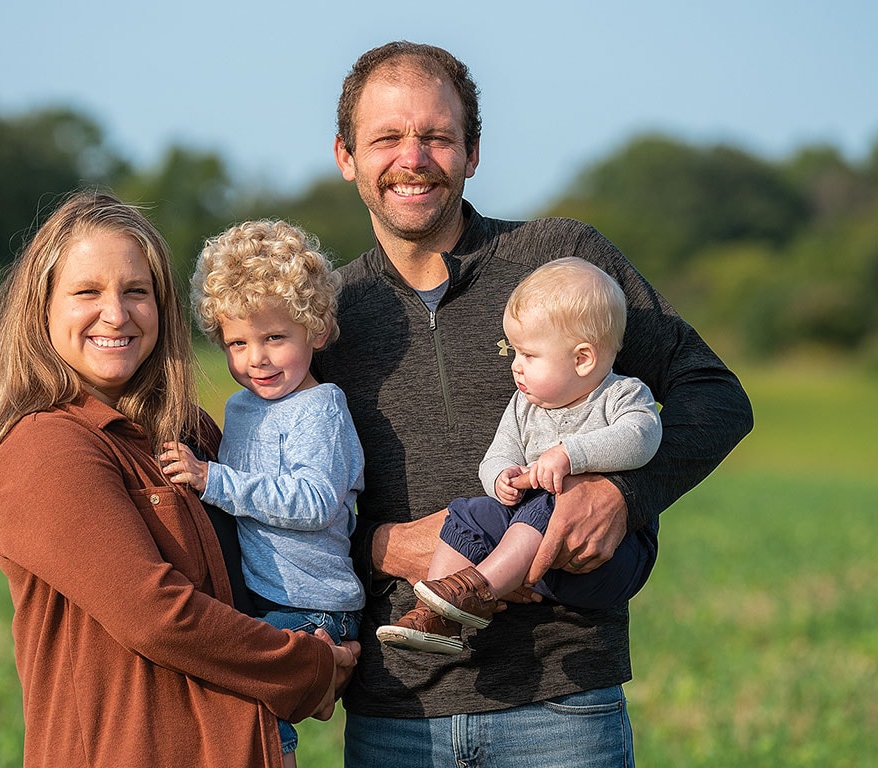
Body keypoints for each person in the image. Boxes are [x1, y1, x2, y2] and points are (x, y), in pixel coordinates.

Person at [312, 41, 753, 767]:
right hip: (400, 712)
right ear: (346, 155)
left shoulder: (563, 260)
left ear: (473, 152)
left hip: (563, 703)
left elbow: (715, 396)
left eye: (437, 136)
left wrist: (622, 492)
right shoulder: (325, 315)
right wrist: (383, 545)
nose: (412, 158)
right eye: (387, 137)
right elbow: (288, 508)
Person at [0, 191, 358, 768]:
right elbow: (155, 614)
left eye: (136, 291)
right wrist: (307, 666)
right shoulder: (45, 445)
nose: (116, 314)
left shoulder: (190, 431)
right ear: (40, 307)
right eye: (86, 292)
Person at [376, 257, 662, 655]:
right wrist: (501, 478)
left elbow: (642, 438)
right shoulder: (524, 405)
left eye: (529, 355)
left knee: (551, 499)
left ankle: (478, 591)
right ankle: (438, 614)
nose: (515, 366)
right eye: (514, 352)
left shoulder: (620, 395)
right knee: (468, 511)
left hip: (607, 558)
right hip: (530, 549)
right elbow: (498, 454)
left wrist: (569, 455)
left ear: (583, 359)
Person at [159, 219, 366, 767]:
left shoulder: (319, 410)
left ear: (316, 331)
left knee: (245, 688)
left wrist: (212, 479)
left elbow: (317, 501)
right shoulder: (241, 408)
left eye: (275, 337)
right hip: (260, 597)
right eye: (238, 343)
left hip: (312, 605)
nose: (258, 359)